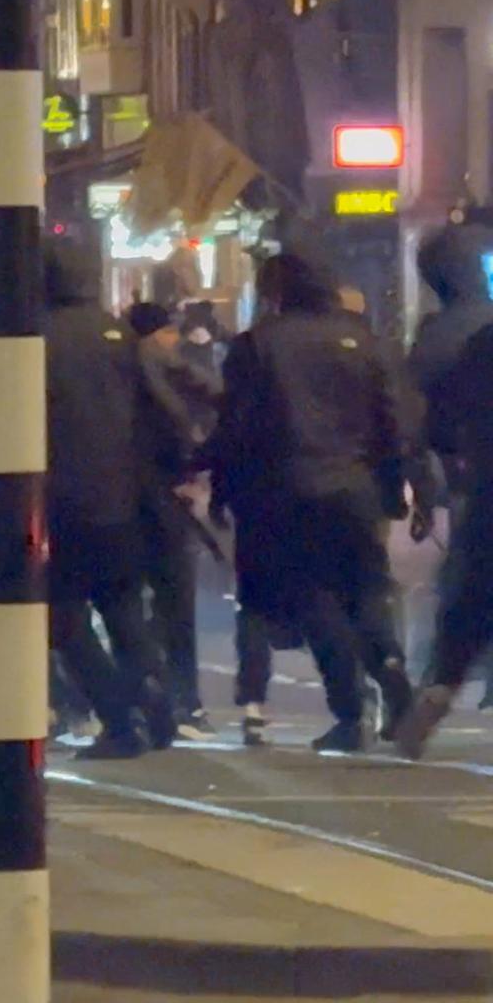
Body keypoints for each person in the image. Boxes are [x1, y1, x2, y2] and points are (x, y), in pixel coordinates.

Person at [206, 253, 412, 753]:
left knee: (315, 598)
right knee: (366, 589)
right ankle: (392, 674)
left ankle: (349, 711)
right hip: (356, 486)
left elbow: (237, 427)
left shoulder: (258, 345)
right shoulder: (365, 341)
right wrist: (396, 487)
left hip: (288, 489)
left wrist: (224, 490)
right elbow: (394, 420)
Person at [45, 240, 175, 759]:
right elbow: (159, 410)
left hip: (60, 497)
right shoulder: (118, 333)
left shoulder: (36, 335)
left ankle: (119, 717)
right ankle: (158, 707)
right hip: (121, 495)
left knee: (66, 617)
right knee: (124, 610)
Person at [398, 318, 493, 756]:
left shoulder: (482, 339)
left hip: (488, 487)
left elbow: (443, 412)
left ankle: (440, 687)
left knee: (472, 596)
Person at [128, 301, 222, 738]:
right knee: (174, 603)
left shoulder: (118, 365)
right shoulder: (155, 360)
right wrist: (196, 458)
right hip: (162, 496)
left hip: (125, 497)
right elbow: (204, 395)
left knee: (130, 603)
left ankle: (147, 696)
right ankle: (183, 702)